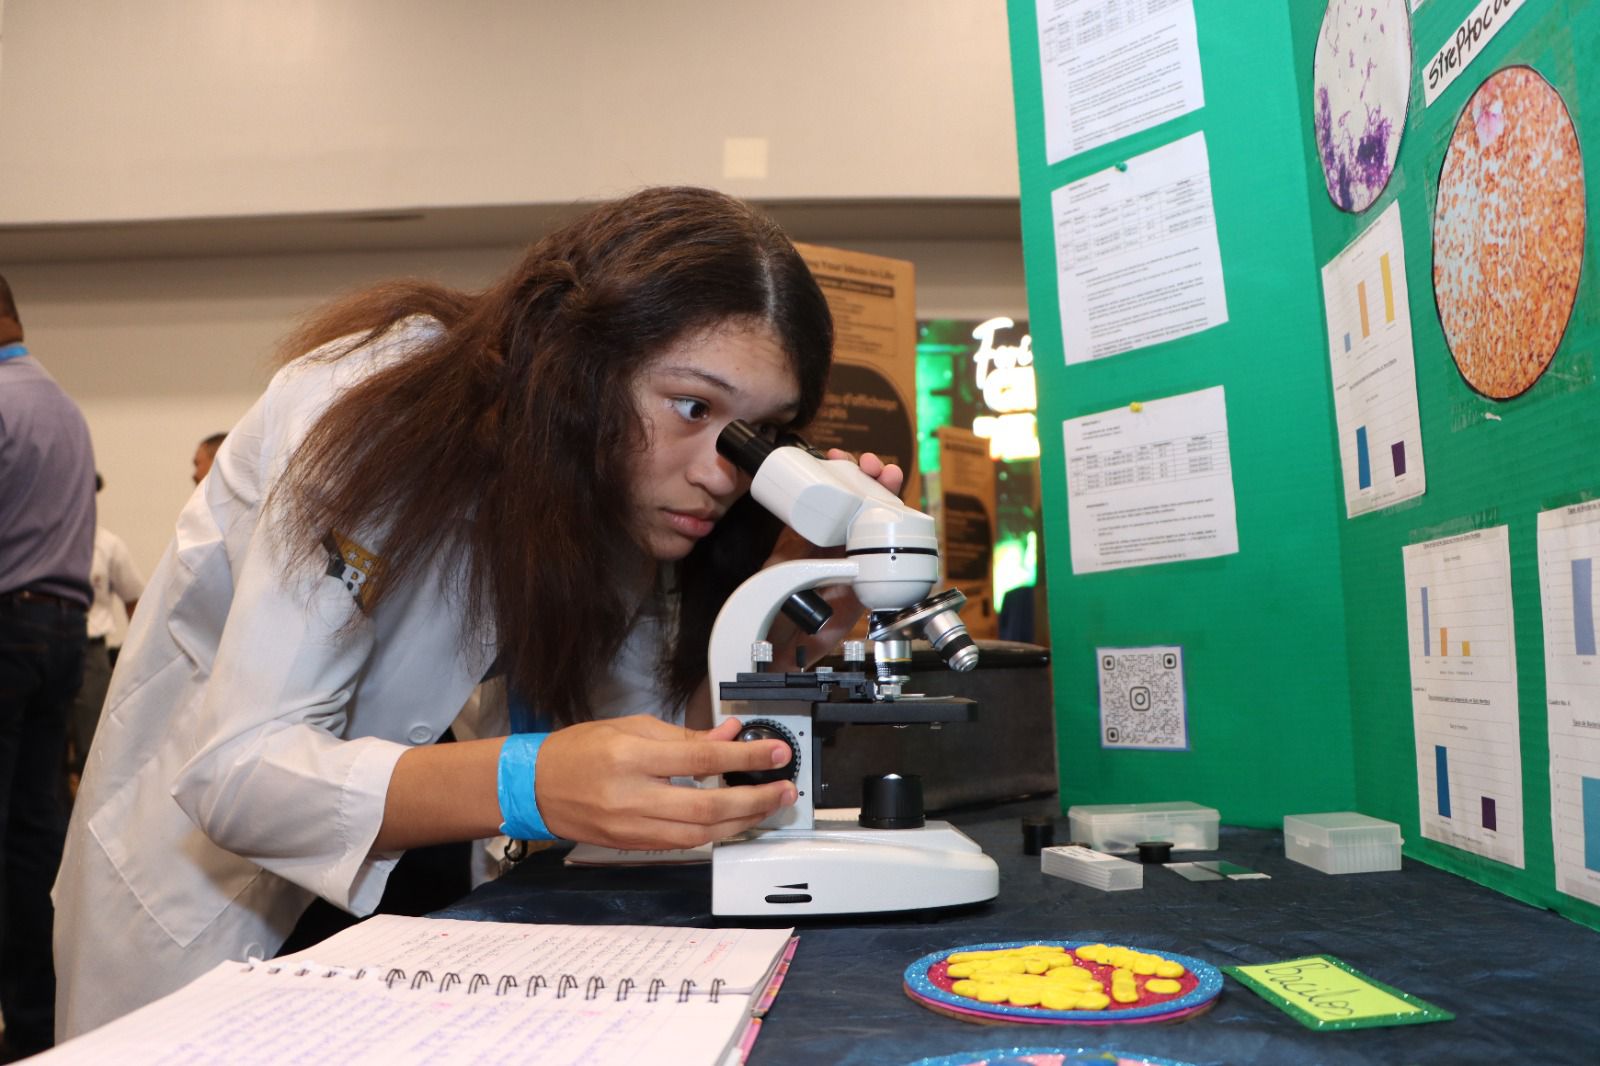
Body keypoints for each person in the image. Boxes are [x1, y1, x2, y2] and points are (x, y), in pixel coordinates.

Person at [54, 186, 903, 1038]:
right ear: (579, 358)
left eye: (758, 434)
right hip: (202, 908)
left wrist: (786, 610)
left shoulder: (618, 495)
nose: (724, 473)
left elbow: (640, 752)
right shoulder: (369, 405)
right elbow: (238, 775)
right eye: (692, 407)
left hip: (409, 904)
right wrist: (527, 781)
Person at [0, 273, 97, 1059]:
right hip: (62, 632)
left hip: (4, 626)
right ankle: (36, 1029)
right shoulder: (62, 406)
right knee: (32, 842)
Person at [64, 474, 145, 790]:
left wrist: (134, 658)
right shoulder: (44, 541)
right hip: (52, 645)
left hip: (92, 654)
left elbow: (134, 600)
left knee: (91, 745)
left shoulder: (107, 544)